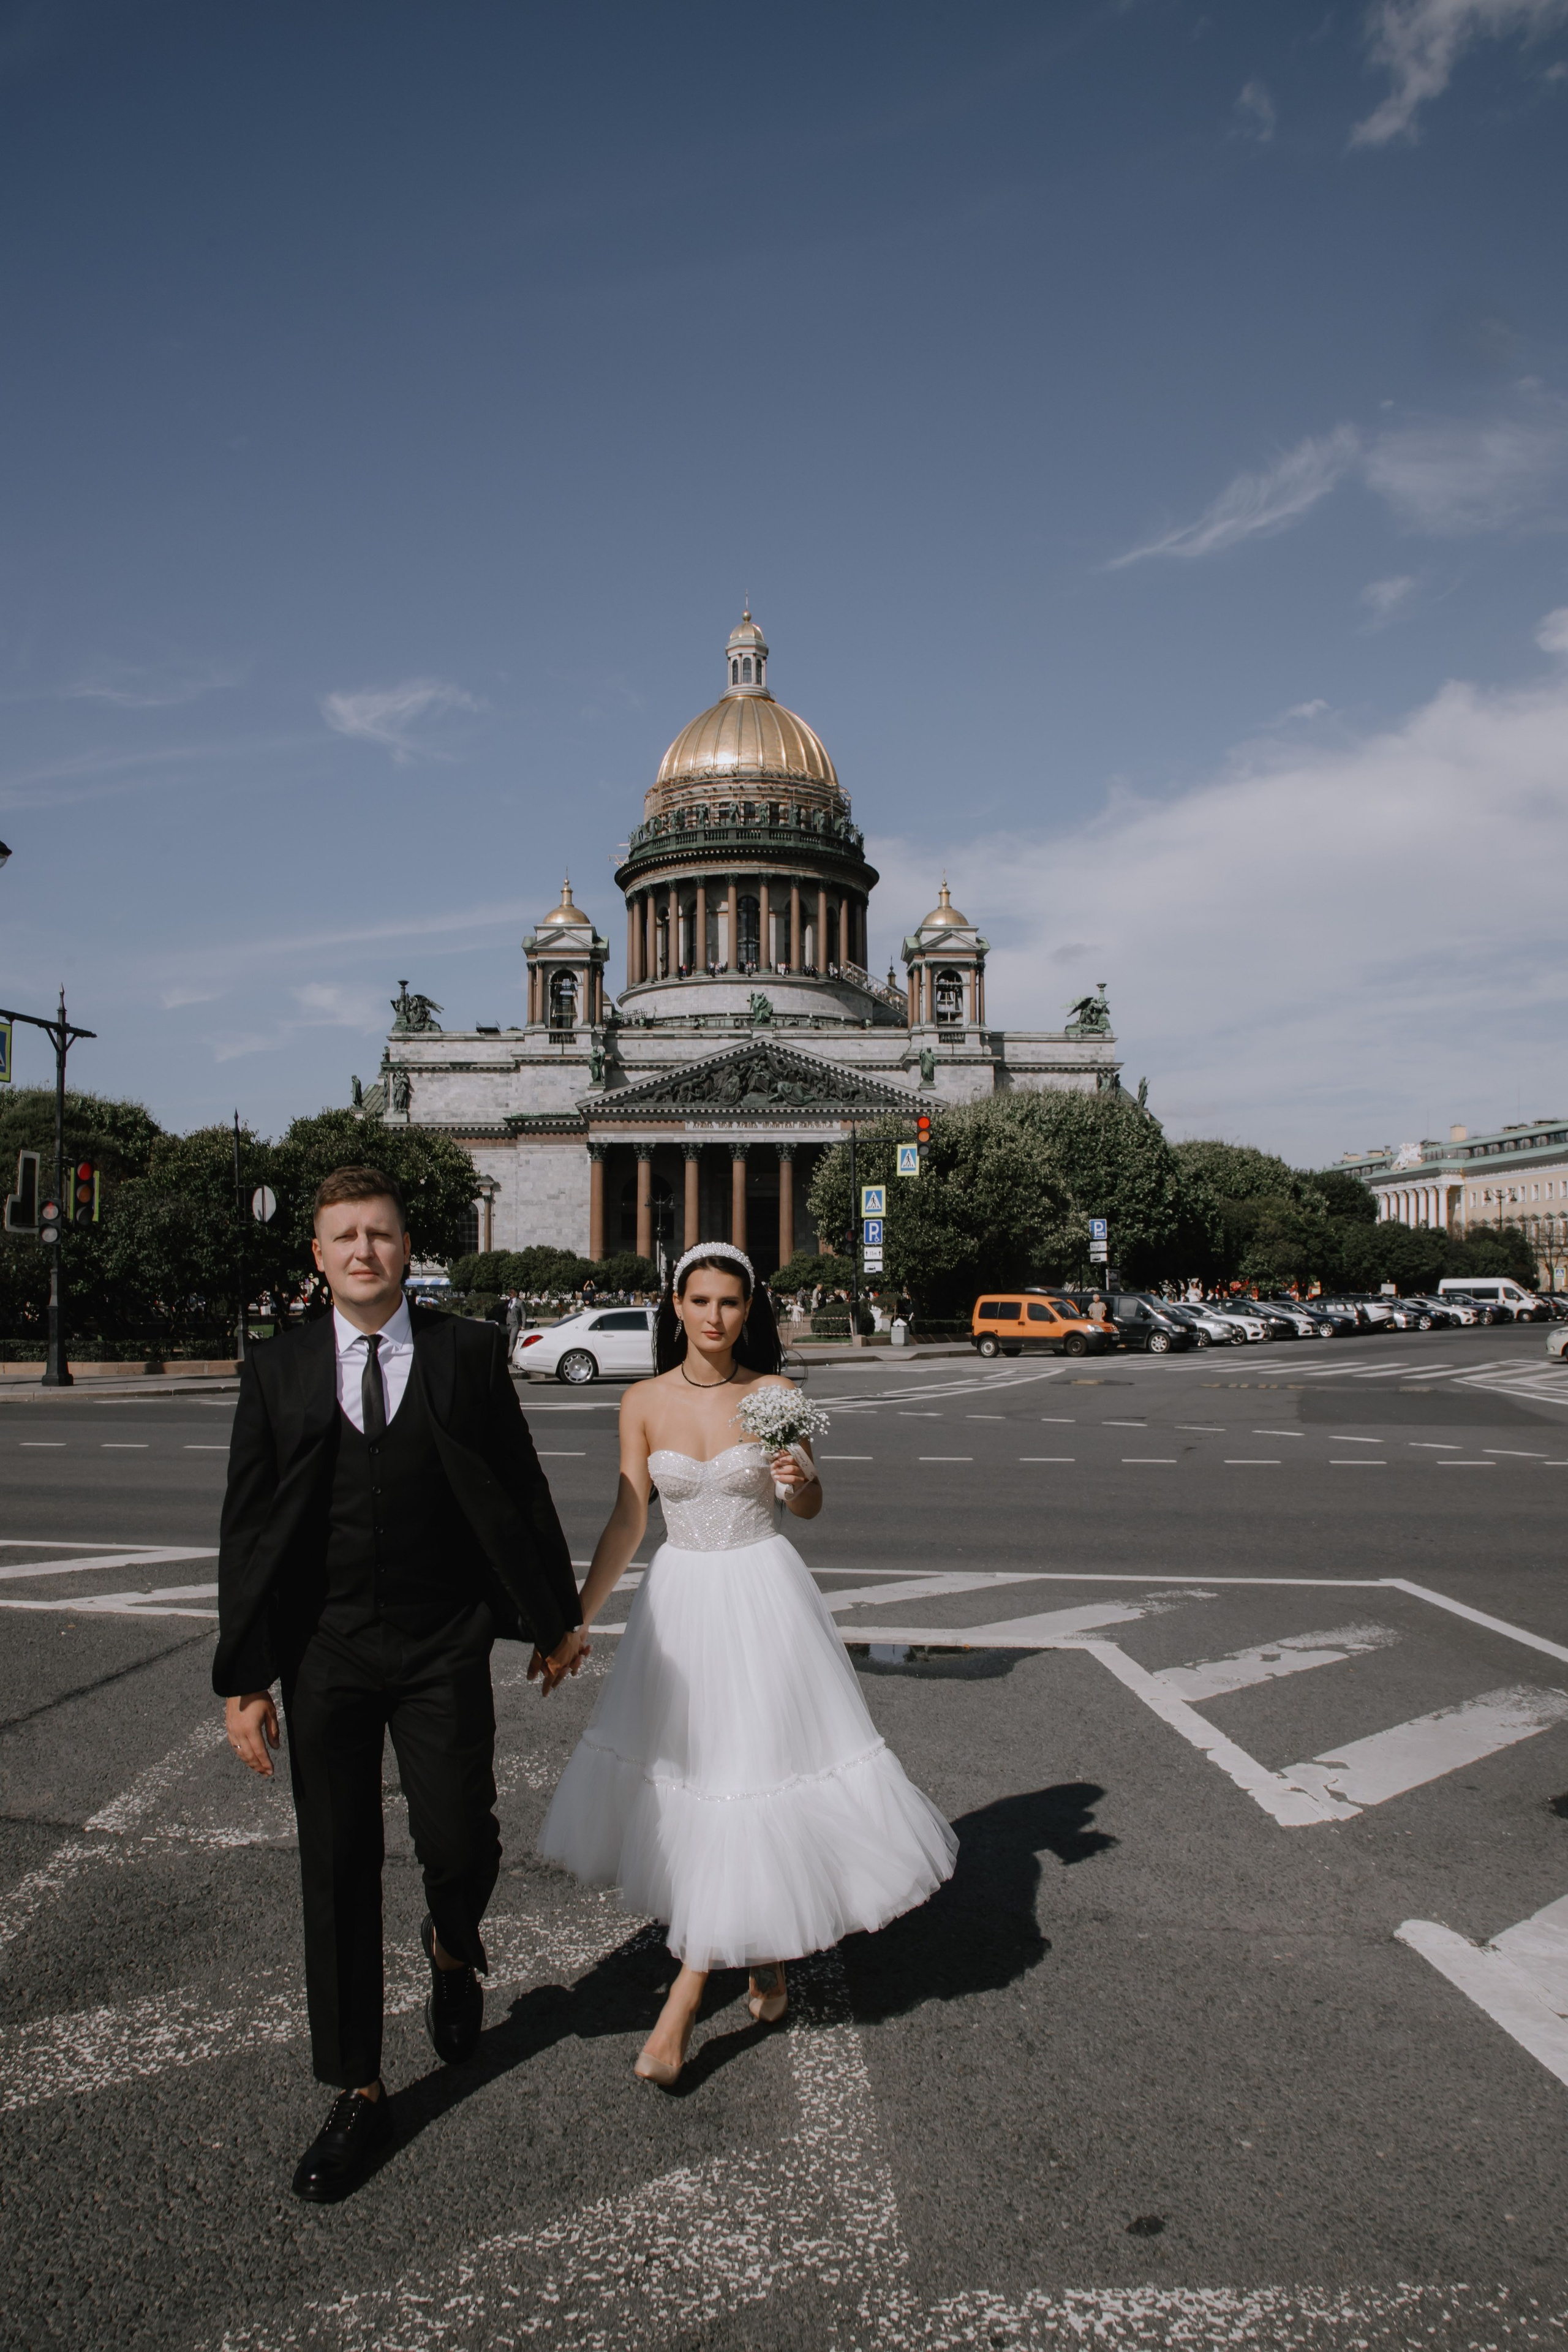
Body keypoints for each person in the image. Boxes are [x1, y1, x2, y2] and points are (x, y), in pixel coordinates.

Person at [216, 1166, 585, 2203]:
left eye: (379, 1234)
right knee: (335, 1869)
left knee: (461, 1834)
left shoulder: (467, 1351)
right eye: (344, 1237)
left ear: (407, 1245)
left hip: (440, 1642)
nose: (363, 1251)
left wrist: (554, 1619)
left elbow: (520, 1486)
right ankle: (359, 2089)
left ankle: (453, 1943)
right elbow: (247, 1531)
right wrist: (245, 1679)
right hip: (323, 1650)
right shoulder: (277, 1368)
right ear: (319, 1256)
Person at [539, 1240, 956, 2086]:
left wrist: (799, 1477)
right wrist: (574, 1621)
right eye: (700, 1301)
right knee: (703, 1786)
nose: (714, 1317)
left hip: (763, 1601)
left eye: (730, 1303)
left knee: (746, 1780)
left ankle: (682, 2005)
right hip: (680, 1605)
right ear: (677, 1305)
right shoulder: (643, 1401)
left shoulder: (774, 1396)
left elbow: (808, 1502)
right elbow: (627, 1522)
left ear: (747, 1310)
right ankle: (764, 1960)